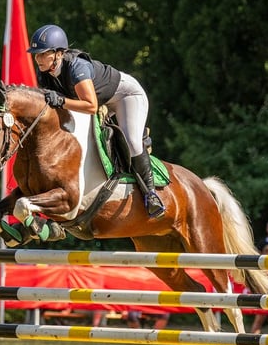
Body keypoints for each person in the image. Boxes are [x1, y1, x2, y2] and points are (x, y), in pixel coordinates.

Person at [27, 24, 165, 219]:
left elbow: (90, 106)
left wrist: (62, 101)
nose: (38, 58)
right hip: (100, 102)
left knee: (132, 142)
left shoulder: (76, 66)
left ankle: (151, 195)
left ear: (59, 53)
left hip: (125, 96)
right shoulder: (45, 73)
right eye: (36, 54)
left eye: (42, 54)